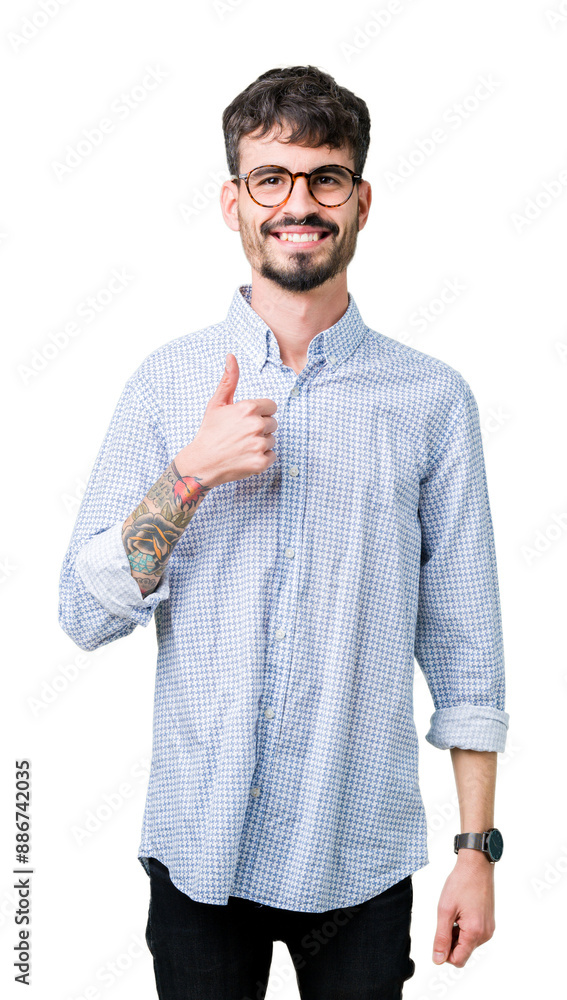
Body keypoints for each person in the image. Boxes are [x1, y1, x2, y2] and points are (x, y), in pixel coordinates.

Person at [58, 65, 509, 1000]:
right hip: (198, 847)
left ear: (360, 200)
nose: (296, 204)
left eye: (323, 178)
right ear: (234, 201)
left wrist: (476, 852)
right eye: (271, 179)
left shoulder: (430, 401)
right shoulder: (166, 384)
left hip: (359, 853)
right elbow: (81, 613)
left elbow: (466, 646)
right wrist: (191, 475)